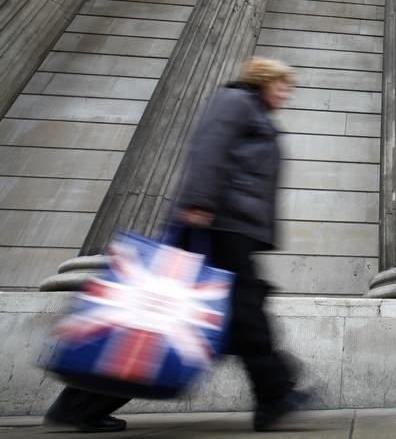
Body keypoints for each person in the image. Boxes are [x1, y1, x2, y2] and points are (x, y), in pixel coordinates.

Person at [44, 58, 306, 432]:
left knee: (205, 319)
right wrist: (199, 203)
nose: (286, 94)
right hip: (218, 224)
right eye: (282, 85)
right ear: (264, 81)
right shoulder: (236, 102)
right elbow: (209, 148)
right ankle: (275, 393)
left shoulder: (256, 113)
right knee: (203, 315)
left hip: (230, 226)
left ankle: (80, 404)